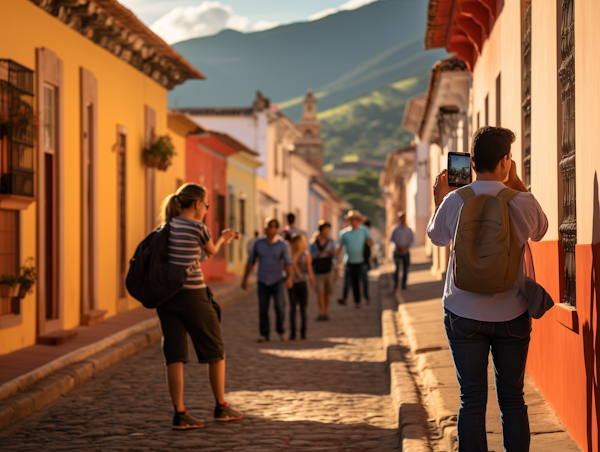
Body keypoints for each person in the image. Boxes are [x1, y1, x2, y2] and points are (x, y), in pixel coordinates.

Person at [427, 126, 548, 452]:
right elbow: (541, 230)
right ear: (505, 160)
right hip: (512, 314)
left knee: (472, 399)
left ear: (471, 162)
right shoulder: (523, 202)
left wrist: (440, 200)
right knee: (512, 398)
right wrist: (514, 181)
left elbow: (437, 237)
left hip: (462, 313)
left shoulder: (455, 200)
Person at [157, 183, 243, 430]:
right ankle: (221, 407)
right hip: (192, 296)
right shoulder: (198, 227)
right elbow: (211, 251)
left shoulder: (166, 226)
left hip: (166, 298)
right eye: (206, 205)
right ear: (196, 204)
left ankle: (180, 413)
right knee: (215, 350)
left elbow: (193, 256)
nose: (206, 209)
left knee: (174, 355)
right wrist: (225, 238)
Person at [242, 218, 293, 342]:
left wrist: (290, 277)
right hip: (263, 280)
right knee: (263, 308)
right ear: (265, 228)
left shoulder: (283, 245)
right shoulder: (258, 243)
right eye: (269, 226)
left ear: (277, 229)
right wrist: (245, 278)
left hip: (277, 280)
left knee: (279, 307)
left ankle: (280, 330)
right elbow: (251, 261)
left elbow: (288, 262)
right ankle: (264, 334)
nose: (271, 229)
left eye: (274, 227)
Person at [337, 210, 373, 308]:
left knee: (364, 281)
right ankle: (356, 301)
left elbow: (370, 242)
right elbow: (339, 249)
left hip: (361, 261)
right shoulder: (344, 233)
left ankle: (366, 296)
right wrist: (338, 262)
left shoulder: (363, 230)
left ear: (358, 220)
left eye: (355, 220)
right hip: (349, 261)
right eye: (352, 220)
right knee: (352, 282)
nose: (354, 222)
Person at [287, 233, 316, 339]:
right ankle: (303, 333)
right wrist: (313, 283)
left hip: (292, 284)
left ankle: (293, 333)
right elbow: (309, 271)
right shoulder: (306, 256)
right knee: (303, 309)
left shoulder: (288, 256)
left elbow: (285, 269)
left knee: (292, 309)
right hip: (303, 283)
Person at [309, 220, 337, 321]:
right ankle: (321, 312)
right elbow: (312, 255)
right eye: (325, 229)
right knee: (320, 292)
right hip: (318, 270)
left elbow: (334, 253)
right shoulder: (314, 242)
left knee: (328, 292)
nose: (327, 231)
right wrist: (322, 253)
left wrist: (327, 252)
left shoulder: (330, 241)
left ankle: (326, 312)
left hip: (328, 269)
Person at [389, 212, 414, 290]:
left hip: (405, 252)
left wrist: (405, 247)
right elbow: (391, 240)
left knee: (405, 269)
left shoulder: (409, 230)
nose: (402, 219)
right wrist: (397, 248)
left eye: (404, 217)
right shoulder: (395, 229)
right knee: (396, 269)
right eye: (401, 218)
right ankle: (396, 283)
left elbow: (411, 241)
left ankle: (403, 284)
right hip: (397, 252)